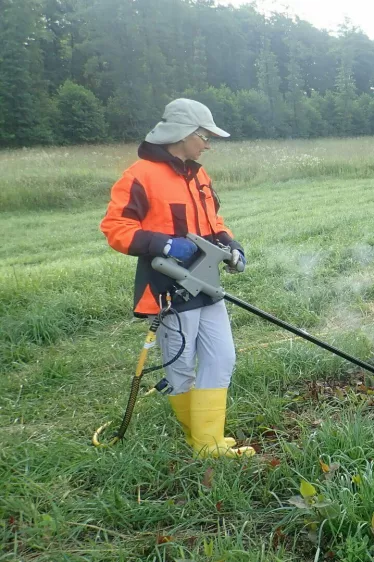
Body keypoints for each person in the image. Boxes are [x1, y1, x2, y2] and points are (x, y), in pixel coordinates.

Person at [99, 98, 254, 458]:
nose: (208, 144)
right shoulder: (138, 176)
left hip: (207, 281)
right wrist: (166, 244)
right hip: (169, 286)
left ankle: (208, 441)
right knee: (180, 365)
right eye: (205, 136)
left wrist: (232, 246)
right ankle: (201, 442)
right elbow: (115, 228)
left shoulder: (198, 174)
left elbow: (214, 223)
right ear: (185, 133)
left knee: (222, 356)